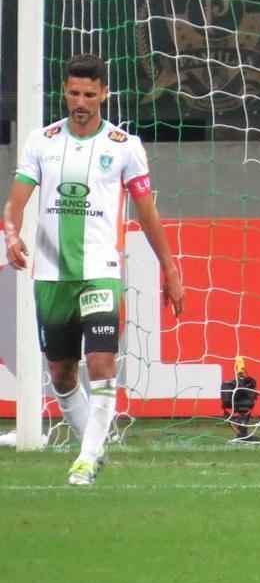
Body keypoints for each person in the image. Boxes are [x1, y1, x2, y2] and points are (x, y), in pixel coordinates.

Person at [3, 53, 184, 485]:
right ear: (64, 92)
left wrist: (170, 268)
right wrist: (12, 234)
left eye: (88, 94)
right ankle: (94, 448)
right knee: (62, 374)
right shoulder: (40, 142)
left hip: (101, 269)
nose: (80, 102)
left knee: (101, 361)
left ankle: (84, 461)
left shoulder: (124, 147)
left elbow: (146, 211)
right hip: (51, 273)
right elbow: (15, 201)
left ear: (104, 93)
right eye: (73, 93)